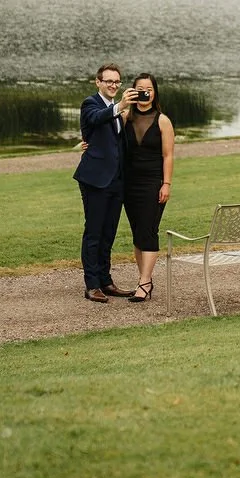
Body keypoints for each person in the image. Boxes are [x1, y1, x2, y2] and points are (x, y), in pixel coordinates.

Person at [73, 63, 135, 303]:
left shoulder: (119, 111)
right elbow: (96, 119)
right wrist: (121, 106)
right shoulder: (91, 104)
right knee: (94, 233)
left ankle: (106, 281)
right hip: (95, 179)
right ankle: (92, 285)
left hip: (116, 180)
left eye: (116, 82)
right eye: (108, 81)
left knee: (108, 233)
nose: (113, 85)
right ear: (98, 82)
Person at [120, 72, 175, 303]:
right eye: (140, 88)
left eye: (149, 89)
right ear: (132, 91)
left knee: (149, 231)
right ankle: (145, 280)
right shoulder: (124, 117)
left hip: (153, 183)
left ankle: (144, 283)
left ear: (155, 92)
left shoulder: (163, 120)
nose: (145, 92)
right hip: (128, 183)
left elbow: (168, 155)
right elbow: (107, 139)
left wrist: (166, 184)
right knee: (137, 234)